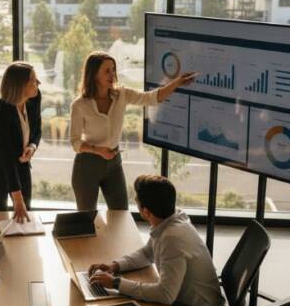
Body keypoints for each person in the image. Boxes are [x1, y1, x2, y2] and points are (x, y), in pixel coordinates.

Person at [69, 51, 196, 210]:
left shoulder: (121, 94)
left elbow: (151, 98)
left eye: (113, 69)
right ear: (94, 74)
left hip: (113, 163)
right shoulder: (80, 105)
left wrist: (177, 83)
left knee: (121, 212)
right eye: (107, 71)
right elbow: (75, 142)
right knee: (87, 217)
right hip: (87, 166)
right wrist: (98, 150)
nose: (112, 74)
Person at [87, 175, 222, 306]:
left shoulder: (172, 238)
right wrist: (115, 266)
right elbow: (147, 254)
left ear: (145, 212)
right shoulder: (171, 219)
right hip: (190, 299)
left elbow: (165, 294)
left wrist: (116, 283)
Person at [0, 62, 42, 222]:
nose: (38, 83)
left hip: (20, 161)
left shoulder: (35, 97)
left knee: (26, 212)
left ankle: (22, 246)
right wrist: (17, 200)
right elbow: (5, 156)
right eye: (34, 79)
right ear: (20, 85)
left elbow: (37, 129)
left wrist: (32, 146)